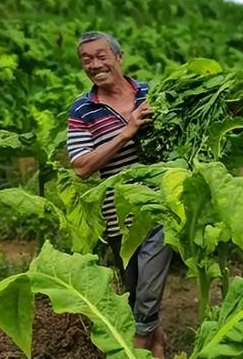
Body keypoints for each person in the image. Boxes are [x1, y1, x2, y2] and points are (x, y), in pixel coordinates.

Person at [66, 31, 171, 358]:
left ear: (118, 57)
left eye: (101, 56)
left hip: (158, 209)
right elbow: (82, 166)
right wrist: (128, 131)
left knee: (147, 299)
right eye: (87, 60)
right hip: (118, 220)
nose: (95, 65)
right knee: (137, 295)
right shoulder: (83, 110)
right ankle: (158, 351)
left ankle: (131, 352)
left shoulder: (153, 94)